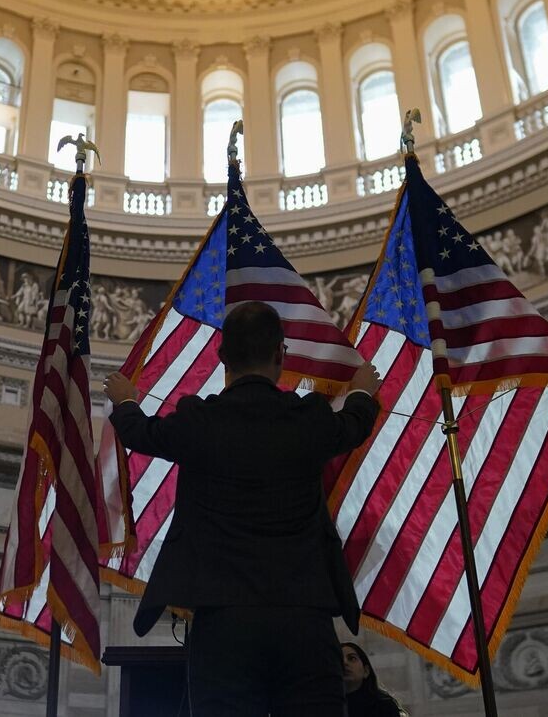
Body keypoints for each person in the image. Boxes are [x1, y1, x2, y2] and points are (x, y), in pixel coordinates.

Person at [104, 301, 382, 717]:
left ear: (222, 359)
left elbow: (139, 433)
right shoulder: (308, 419)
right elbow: (355, 425)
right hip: (303, 618)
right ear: (281, 355)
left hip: (222, 621)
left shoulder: (198, 421)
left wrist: (125, 400)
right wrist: (361, 388)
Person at [342, 643, 405, 717]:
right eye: (339, 659)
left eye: (352, 658)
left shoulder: (384, 706)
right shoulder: (327, 706)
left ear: (366, 671)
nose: (344, 662)